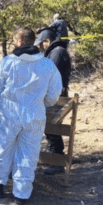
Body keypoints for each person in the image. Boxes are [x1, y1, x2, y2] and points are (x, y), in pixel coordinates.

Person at [0, 27, 62, 205]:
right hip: (34, 112)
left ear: (19, 41)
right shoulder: (47, 64)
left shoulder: (8, 62)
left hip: (9, 111)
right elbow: (54, 93)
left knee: (3, 148)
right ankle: (21, 193)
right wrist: (42, 103)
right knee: (29, 152)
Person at [35, 27, 72, 175]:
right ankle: (54, 158)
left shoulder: (57, 52)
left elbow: (49, 74)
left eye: (42, 43)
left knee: (52, 128)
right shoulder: (55, 52)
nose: (40, 47)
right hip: (54, 96)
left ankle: (56, 162)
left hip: (56, 97)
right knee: (50, 128)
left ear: (47, 41)